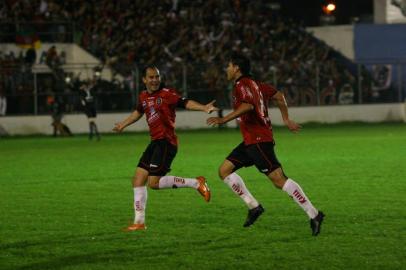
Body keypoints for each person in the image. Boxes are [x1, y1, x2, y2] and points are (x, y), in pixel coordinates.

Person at [207, 53, 324, 236]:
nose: (227, 69)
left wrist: (223, 119)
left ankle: (314, 214)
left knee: (279, 180)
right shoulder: (257, 85)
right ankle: (254, 207)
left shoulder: (242, 84)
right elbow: (279, 96)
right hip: (251, 141)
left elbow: (248, 106)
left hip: (258, 141)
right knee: (224, 170)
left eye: (229, 66)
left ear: (237, 67)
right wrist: (286, 119)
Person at [113, 66, 218, 231]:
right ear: (144, 80)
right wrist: (123, 125)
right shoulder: (143, 96)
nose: (154, 80)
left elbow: (185, 102)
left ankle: (196, 183)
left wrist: (203, 107)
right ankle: (139, 223)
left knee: (153, 183)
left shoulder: (167, 94)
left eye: (157, 77)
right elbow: (138, 112)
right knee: (138, 180)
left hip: (166, 143)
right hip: (155, 142)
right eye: (151, 77)